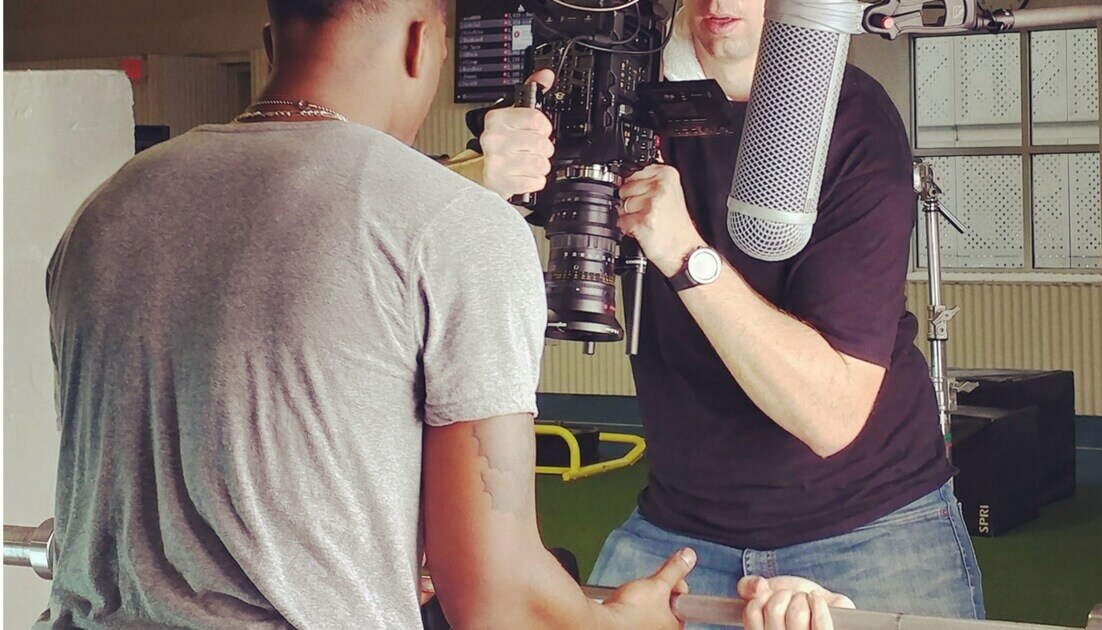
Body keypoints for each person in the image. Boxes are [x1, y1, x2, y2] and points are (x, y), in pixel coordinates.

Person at [37, 0, 846, 628]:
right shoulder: (451, 228)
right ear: (424, 43)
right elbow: (499, 604)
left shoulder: (107, 212)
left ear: (270, 36)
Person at [474, 0, 986, 624]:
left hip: (870, 521)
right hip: (681, 527)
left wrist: (689, 257)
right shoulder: (618, 90)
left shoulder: (854, 121)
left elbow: (831, 415)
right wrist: (489, 176)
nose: (720, 4)